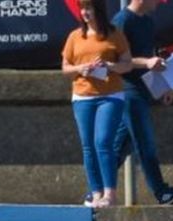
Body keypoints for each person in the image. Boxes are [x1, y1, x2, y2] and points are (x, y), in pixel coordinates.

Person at [112, 0, 173, 206]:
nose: (159, 2)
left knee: (119, 148)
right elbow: (115, 60)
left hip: (144, 90)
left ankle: (96, 190)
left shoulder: (147, 22)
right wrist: (146, 63)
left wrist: (164, 87)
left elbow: (150, 59)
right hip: (128, 91)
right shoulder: (122, 21)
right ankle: (161, 192)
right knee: (145, 143)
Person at [62, 0, 132, 208]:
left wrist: (110, 65)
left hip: (110, 95)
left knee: (103, 142)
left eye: (89, 8)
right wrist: (81, 68)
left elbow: (127, 64)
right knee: (88, 146)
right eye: (82, 9)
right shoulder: (75, 36)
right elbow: (65, 67)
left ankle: (110, 194)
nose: (85, 13)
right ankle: (96, 193)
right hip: (83, 96)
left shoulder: (115, 34)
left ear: (98, 10)